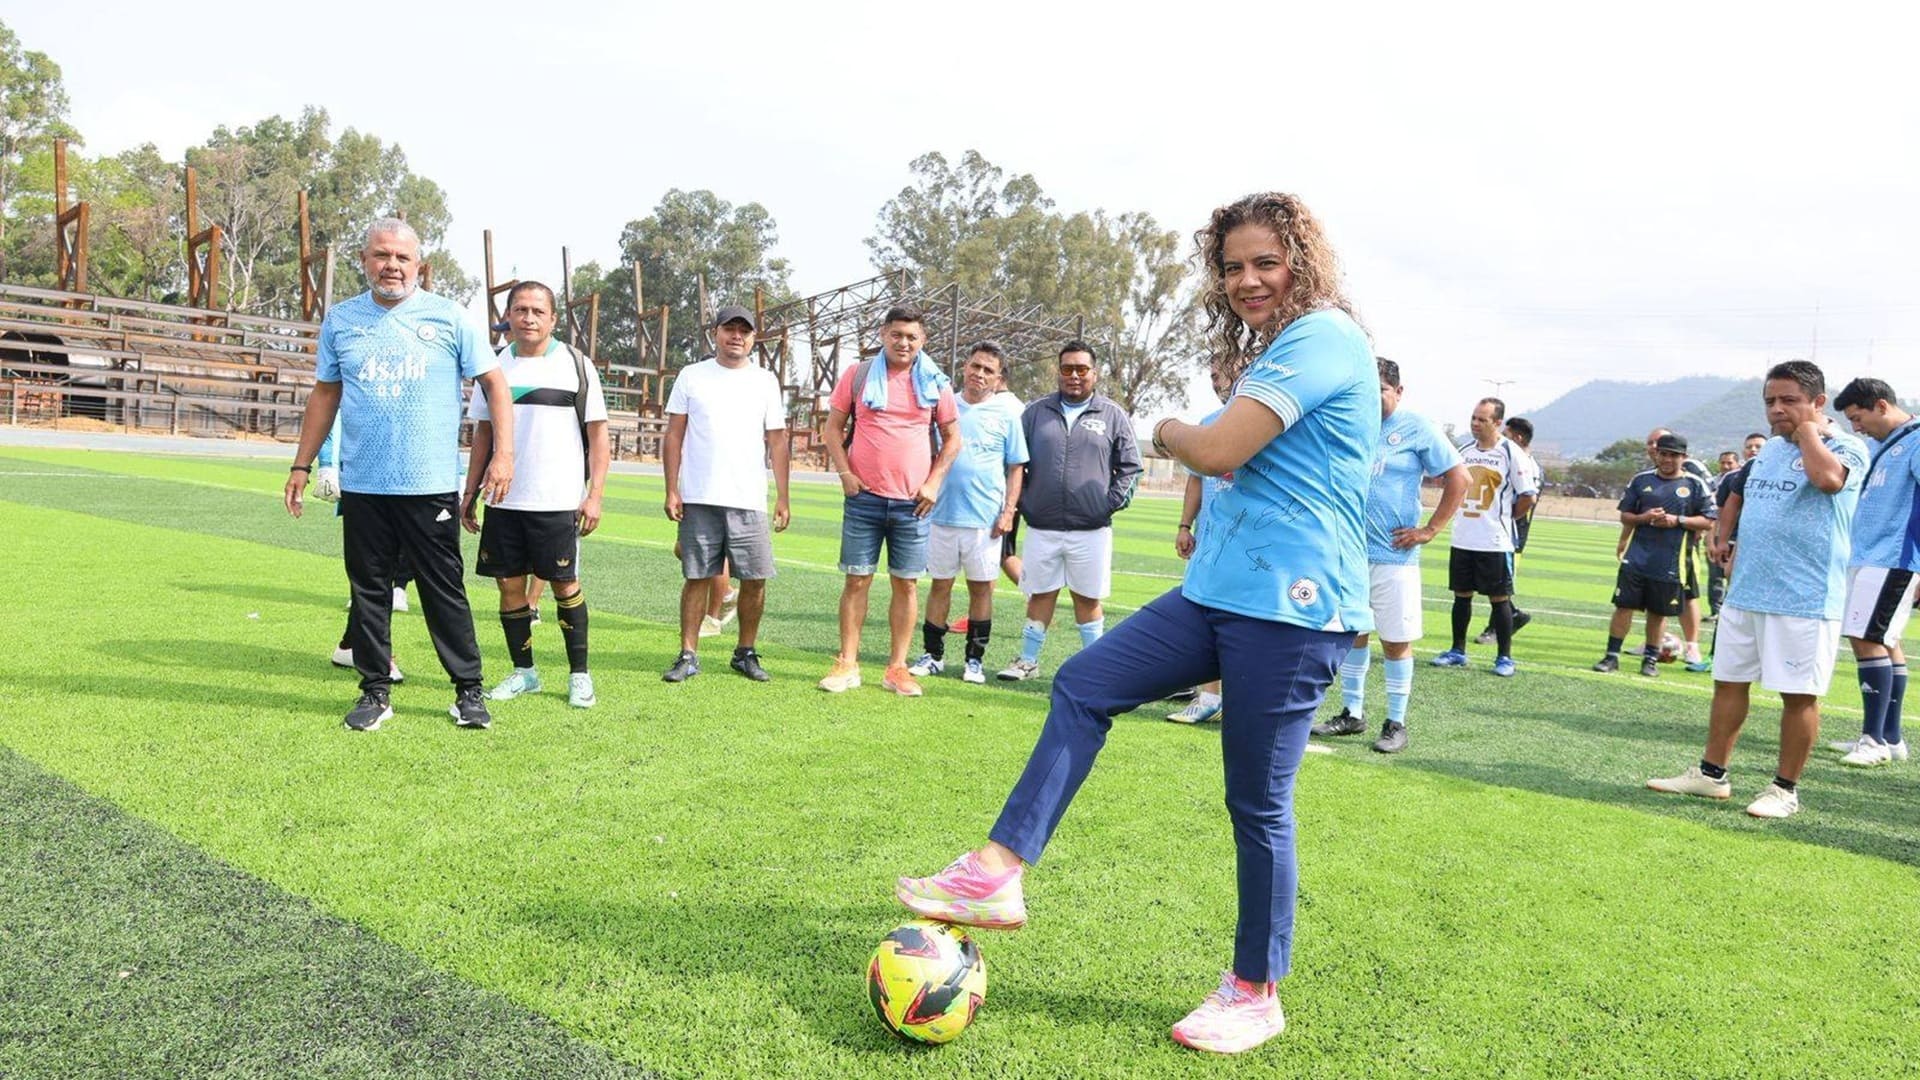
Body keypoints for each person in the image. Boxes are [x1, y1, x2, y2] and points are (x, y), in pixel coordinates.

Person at [896, 192, 1377, 1054]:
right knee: (1084, 682)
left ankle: (1254, 989)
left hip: (1295, 609)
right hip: (1219, 591)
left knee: (1257, 802)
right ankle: (998, 873)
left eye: (1267, 262)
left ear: (1305, 261)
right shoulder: (1279, 346)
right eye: (1232, 266)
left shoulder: (1326, 335)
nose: (1247, 280)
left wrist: (1167, 427)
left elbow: (1219, 449)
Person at [284, 218, 514, 732]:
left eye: (401, 258)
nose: (391, 266)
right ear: (364, 260)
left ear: (418, 265)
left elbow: (496, 385)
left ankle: (468, 691)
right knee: (369, 589)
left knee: (442, 589)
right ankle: (374, 691)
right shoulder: (342, 321)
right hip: (364, 483)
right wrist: (303, 463)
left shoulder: (449, 318)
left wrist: (504, 457)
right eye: (381, 255)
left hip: (428, 483)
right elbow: (325, 395)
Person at [1648, 361, 1868, 818]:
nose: (1777, 410)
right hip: (1748, 590)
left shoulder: (1850, 446)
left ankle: (1784, 789)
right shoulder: (1766, 451)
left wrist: (1808, 433)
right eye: (1770, 401)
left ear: (1818, 403)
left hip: (1804, 597)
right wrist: (1723, 535)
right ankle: (1712, 775)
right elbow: (1738, 492)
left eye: (1789, 400)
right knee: (1728, 683)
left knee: (1799, 695)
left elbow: (1828, 481)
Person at [460, 280, 609, 709]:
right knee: (509, 587)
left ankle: (579, 675)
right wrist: (470, 495)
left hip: (557, 499)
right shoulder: (494, 366)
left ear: (553, 319)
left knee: (565, 585)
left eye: (537, 311)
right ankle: (525, 673)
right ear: (509, 316)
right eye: (520, 309)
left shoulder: (575, 365)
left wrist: (594, 495)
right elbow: (483, 434)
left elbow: (598, 438)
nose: (528, 318)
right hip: (504, 500)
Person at [1314, 357, 1467, 751]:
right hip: (1349, 553)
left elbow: (1459, 478)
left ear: (1399, 391)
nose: (1373, 397)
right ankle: (1352, 713)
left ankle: (1396, 722)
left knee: (1396, 640)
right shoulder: (1353, 424)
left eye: (1381, 389)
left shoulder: (1417, 427)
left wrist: (1430, 529)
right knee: (1354, 633)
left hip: (1394, 556)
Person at [819, 305, 960, 695]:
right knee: (857, 580)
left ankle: (897, 668)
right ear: (883, 334)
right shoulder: (859, 374)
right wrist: (846, 473)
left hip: (914, 503)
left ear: (923, 340)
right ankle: (847, 662)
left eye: (912, 337)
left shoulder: (935, 381)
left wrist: (933, 483)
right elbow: (832, 428)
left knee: (907, 585)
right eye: (897, 334)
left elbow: (953, 439)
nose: (904, 342)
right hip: (863, 497)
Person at [994, 342, 1142, 681]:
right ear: (1058, 371)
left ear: (1095, 373)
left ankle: (1096, 668)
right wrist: (1024, 504)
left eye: (1081, 369)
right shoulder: (1035, 413)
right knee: (1039, 594)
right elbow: (1015, 463)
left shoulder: (1113, 414)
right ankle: (1027, 662)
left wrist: (1107, 503)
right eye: (1067, 369)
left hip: (1091, 529)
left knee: (1087, 598)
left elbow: (1131, 467)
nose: (1074, 376)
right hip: (1042, 526)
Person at [661, 305, 792, 682]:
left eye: (744, 331)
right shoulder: (692, 376)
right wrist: (672, 489)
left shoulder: (765, 381)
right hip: (699, 495)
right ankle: (688, 654)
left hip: (748, 497)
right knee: (697, 576)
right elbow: (674, 435)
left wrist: (783, 496)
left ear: (753, 338)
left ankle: (745, 652)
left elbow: (778, 441)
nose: (736, 336)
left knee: (754, 578)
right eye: (729, 329)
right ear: (715, 333)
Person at [909, 341, 1027, 684]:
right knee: (939, 586)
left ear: (998, 378)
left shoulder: (1007, 415)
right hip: (941, 514)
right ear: (965, 367)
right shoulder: (945, 407)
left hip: (985, 521)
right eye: (975, 366)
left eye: (988, 370)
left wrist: (1008, 512)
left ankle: (974, 661)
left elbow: (1016, 467)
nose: (980, 374)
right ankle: (933, 655)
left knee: (982, 589)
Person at [1827, 378, 1918, 766]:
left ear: (1881, 406)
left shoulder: (1915, 440)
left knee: (1865, 637)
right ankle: (1890, 738)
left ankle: (1873, 741)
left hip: (1893, 557)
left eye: (1858, 418)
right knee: (1885, 640)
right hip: (1871, 556)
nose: (1856, 427)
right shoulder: (1885, 444)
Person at [1591, 433, 1715, 677]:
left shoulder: (1694, 484)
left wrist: (1676, 520)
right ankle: (1611, 656)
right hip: (1637, 557)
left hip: (1671, 561)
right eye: (1664, 454)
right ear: (1656, 454)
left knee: (1658, 613)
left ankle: (1650, 660)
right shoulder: (1641, 480)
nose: (1668, 459)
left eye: (1674, 455)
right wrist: (1644, 518)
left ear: (1684, 457)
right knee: (1623, 607)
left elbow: (1708, 520)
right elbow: (1625, 515)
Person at [1431, 397, 1536, 676]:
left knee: (1499, 599)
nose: (1475, 424)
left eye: (1482, 419)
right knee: (1461, 596)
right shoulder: (1464, 450)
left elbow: (1528, 496)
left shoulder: (1510, 452)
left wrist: (1506, 517)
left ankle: (1504, 658)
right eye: (1474, 418)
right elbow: (1448, 482)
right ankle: (1457, 651)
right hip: (1463, 537)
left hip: (1494, 539)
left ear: (1497, 422)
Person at [1628, 427, 1713, 669]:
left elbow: (1709, 505)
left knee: (1688, 593)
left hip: (1683, 546)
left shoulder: (1693, 470)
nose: (1653, 447)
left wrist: (1695, 529)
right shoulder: (1647, 475)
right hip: (1650, 548)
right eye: (1650, 443)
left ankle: (1692, 646)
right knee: (1652, 595)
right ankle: (1653, 642)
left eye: (1658, 442)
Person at [1474, 416, 1539, 644]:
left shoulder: (1525, 463)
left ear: (1517, 437)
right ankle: (1511, 617)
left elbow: (1527, 498)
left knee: (1500, 587)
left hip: (1512, 534)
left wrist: (1506, 518)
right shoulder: (1509, 457)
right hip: (1499, 531)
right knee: (1495, 584)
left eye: (1507, 433)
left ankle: (1498, 628)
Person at [1705, 449, 1743, 616]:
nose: (1726, 466)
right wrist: (1711, 541)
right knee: (1715, 577)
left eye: (1730, 463)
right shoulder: (1715, 482)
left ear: (1737, 463)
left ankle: (1731, 612)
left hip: (1740, 538)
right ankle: (1716, 611)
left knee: (1735, 578)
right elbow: (1713, 514)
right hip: (1722, 537)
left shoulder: (1741, 478)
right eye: (1723, 463)